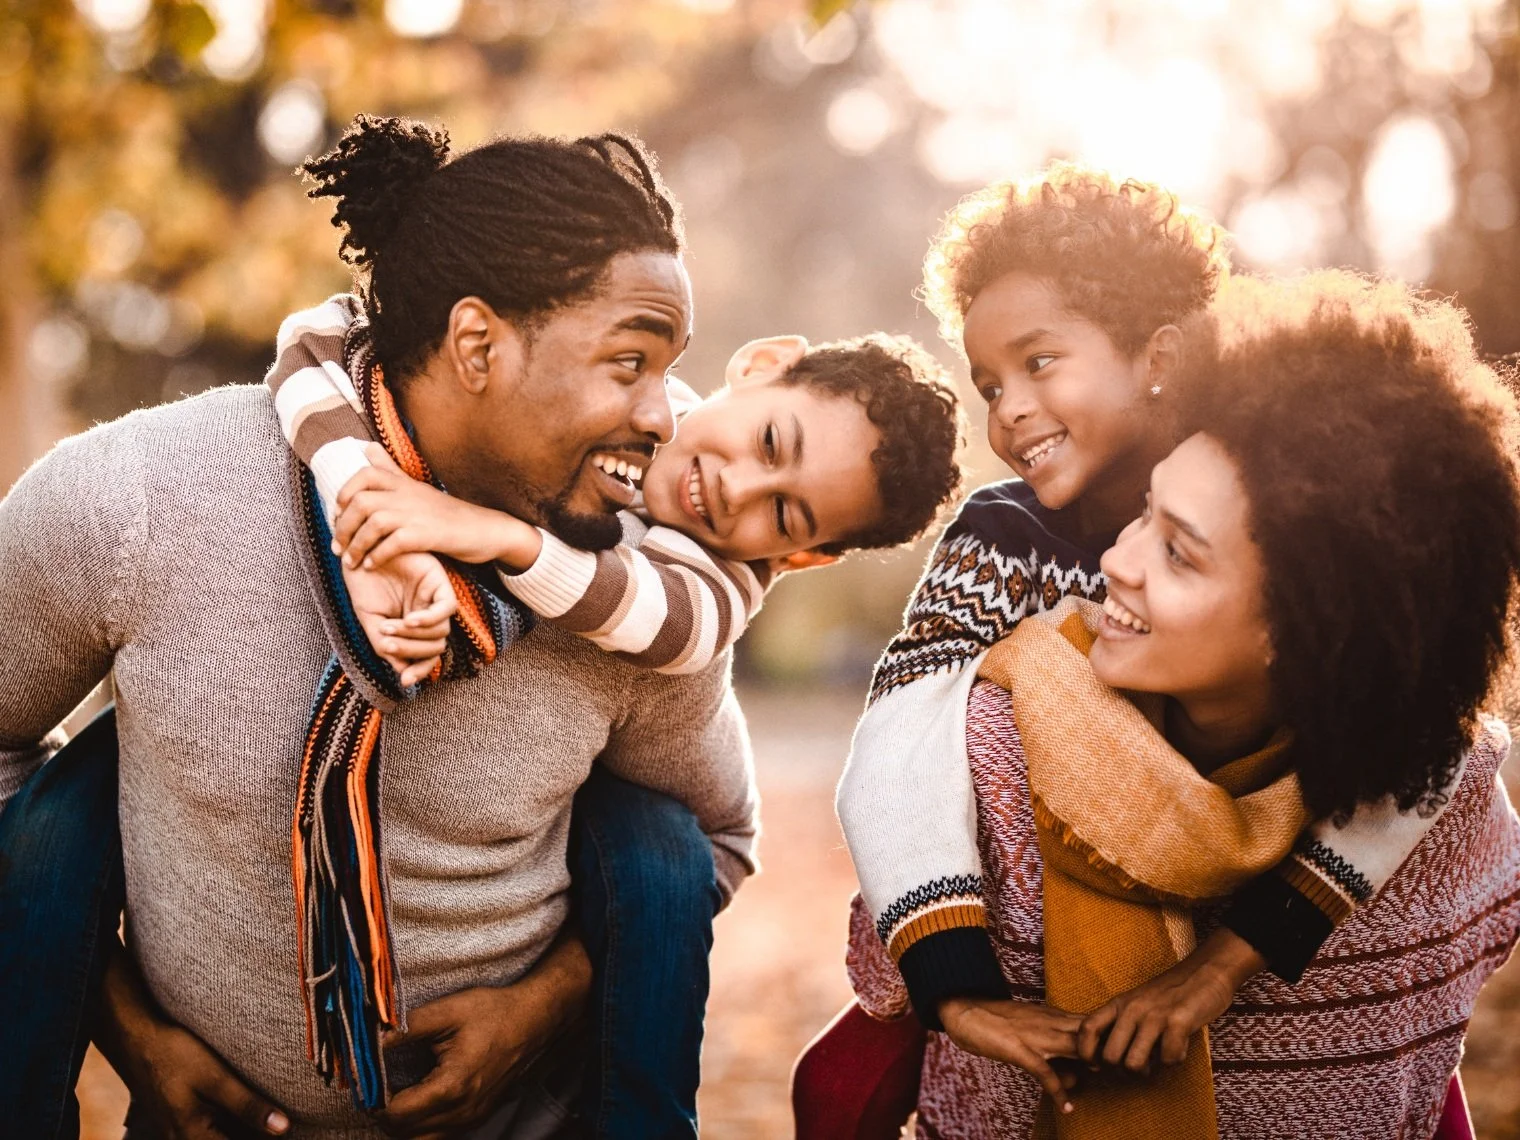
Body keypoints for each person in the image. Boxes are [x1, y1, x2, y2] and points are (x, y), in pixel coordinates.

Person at [0, 115, 752, 1140]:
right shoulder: (139, 497)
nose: (666, 417)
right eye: (629, 363)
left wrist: (543, 1010)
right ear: (477, 344)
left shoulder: (627, 598)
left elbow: (709, 841)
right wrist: (126, 1025)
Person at [842, 270, 1520, 1137]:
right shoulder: (987, 749)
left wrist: (1225, 965)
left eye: (1180, 553)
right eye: (1145, 516)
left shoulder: (1442, 800)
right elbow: (896, 783)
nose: (1115, 564)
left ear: (1311, 631)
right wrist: (959, 988)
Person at [266, 295, 963, 683]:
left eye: (783, 515)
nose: (736, 488)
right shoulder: (613, 386)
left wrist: (496, 536)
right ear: (762, 365)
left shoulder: (723, 585)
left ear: (803, 558)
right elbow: (315, 333)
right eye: (771, 443)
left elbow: (670, 627)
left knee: (659, 858)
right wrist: (358, 485)